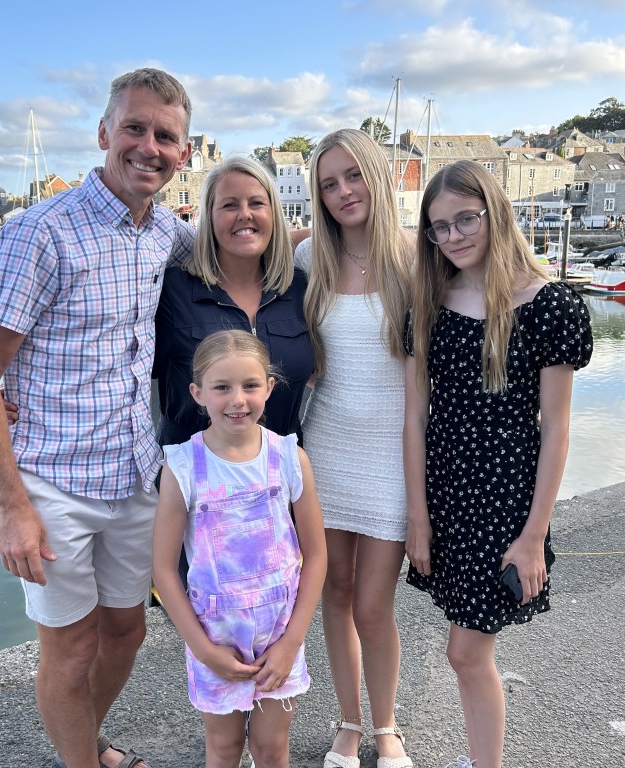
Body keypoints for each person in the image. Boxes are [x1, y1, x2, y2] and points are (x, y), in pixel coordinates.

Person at [0, 68, 195, 768]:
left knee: (126, 631)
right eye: (134, 128)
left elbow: (244, 238)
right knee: (70, 648)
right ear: (103, 132)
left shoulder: (166, 234)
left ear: (184, 152)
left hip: (133, 473)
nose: (148, 147)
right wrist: (12, 507)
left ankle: (85, 743)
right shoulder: (40, 232)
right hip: (53, 482)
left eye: (165, 136)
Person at [404, 159, 593, 768]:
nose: (453, 236)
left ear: (495, 213)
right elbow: (415, 418)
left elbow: (556, 429)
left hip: (506, 502)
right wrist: (418, 519)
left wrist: (534, 535)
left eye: (466, 219)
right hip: (448, 497)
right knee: (465, 649)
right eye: (439, 227)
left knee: (465, 651)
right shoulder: (428, 303)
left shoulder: (549, 305)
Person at [293, 129, 415, 768]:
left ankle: (387, 725)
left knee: (373, 604)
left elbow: (499, 274)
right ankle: (348, 719)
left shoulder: (418, 258)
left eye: (353, 176)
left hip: (393, 455)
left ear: (377, 176)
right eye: (328, 183)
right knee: (333, 593)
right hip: (327, 448)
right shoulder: (308, 256)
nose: (342, 192)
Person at [152, 330, 327, 768]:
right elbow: (164, 570)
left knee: (271, 747)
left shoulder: (289, 458)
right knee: (225, 748)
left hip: (279, 633)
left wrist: (291, 642)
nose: (237, 400)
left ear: (269, 387)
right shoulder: (182, 467)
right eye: (221, 387)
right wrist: (203, 650)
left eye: (250, 385)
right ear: (197, 393)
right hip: (215, 636)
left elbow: (317, 556)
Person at [155, 156, 314, 448]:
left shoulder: (300, 288)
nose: (245, 214)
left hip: (281, 470)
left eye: (256, 203)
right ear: (209, 217)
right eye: (229, 205)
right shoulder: (172, 292)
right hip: (192, 472)